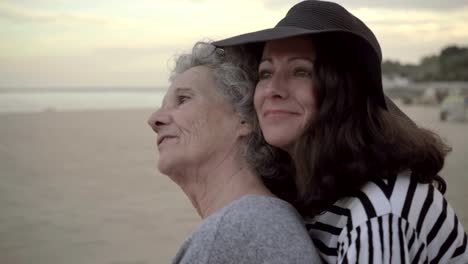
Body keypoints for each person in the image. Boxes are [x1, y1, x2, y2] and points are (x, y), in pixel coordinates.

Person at [213, 0, 468, 263]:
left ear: (343, 92)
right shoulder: (310, 193)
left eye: (300, 71)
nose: (272, 89)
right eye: (265, 73)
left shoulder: (379, 210)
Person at [147, 42, 321, 263]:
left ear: (244, 117)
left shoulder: (234, 230)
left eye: (183, 99)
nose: (154, 120)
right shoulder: (260, 220)